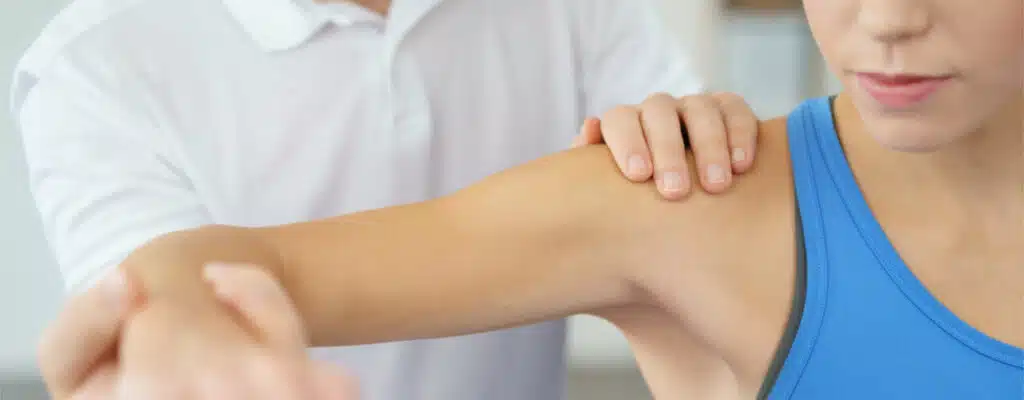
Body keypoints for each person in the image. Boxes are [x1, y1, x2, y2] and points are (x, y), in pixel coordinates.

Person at [39, 0, 1024, 397]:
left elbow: (687, 122)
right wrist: (176, 322)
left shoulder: (572, 19)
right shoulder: (98, 63)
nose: (888, 21)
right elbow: (192, 272)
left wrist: (686, 121)